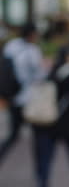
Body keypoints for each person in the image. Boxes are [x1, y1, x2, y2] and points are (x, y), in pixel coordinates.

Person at [32, 46, 69, 187]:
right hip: (65, 121)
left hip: (50, 119)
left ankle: (43, 181)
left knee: (47, 154)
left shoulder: (53, 70)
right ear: (68, 56)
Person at [0, 24, 45, 166]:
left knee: (13, 135)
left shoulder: (11, 46)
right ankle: (41, 173)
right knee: (39, 136)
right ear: (32, 34)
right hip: (28, 99)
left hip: (13, 98)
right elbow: (40, 75)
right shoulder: (33, 51)